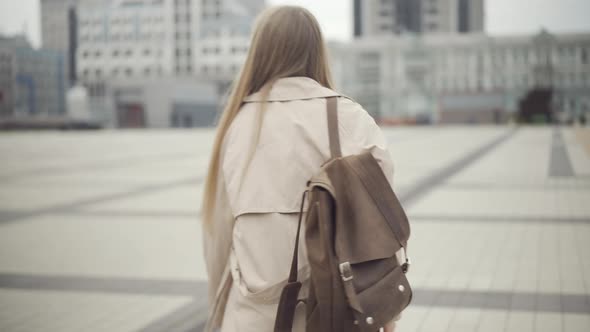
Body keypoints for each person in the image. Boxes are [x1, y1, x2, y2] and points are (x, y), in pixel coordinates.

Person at [201, 6, 399, 332]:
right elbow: (383, 229)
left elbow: (218, 244)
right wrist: (387, 316)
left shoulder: (238, 127)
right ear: (316, 51)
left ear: (260, 52)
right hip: (340, 317)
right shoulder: (351, 119)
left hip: (250, 319)